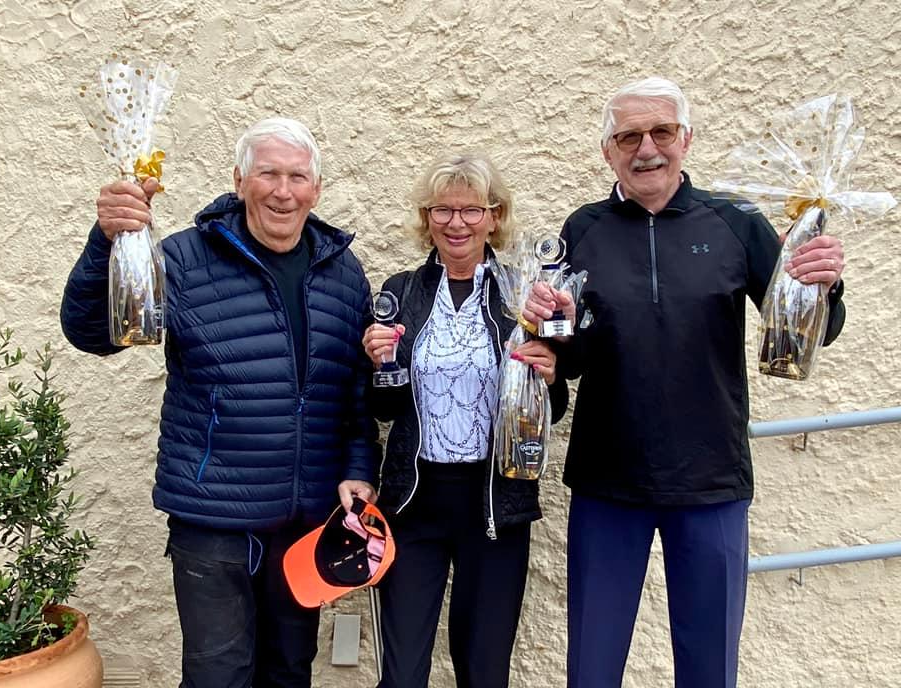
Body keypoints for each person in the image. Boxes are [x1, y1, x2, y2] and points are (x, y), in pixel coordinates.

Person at [522, 77, 846, 688]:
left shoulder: (736, 222)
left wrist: (822, 285)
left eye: (661, 132)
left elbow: (811, 331)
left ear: (686, 139)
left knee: (709, 668)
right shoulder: (582, 228)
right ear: (608, 152)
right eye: (629, 137)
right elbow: (573, 354)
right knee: (592, 667)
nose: (647, 148)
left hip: (712, 480)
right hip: (607, 480)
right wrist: (549, 335)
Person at [60, 117, 380, 688]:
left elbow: (354, 390)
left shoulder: (343, 272)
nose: (283, 192)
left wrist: (358, 468)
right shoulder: (184, 259)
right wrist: (106, 240)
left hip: (303, 522)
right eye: (268, 174)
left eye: (297, 177)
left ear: (316, 189)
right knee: (218, 676)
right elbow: (93, 332)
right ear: (239, 181)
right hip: (214, 522)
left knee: (288, 673)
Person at [361, 153, 569, 688]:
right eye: (443, 210)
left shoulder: (523, 294)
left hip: (495, 503)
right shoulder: (401, 291)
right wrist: (379, 365)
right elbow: (383, 409)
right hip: (414, 503)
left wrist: (549, 377)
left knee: (483, 671)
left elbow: (552, 410)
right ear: (426, 218)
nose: (457, 223)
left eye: (472, 210)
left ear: (494, 217)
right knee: (402, 675)